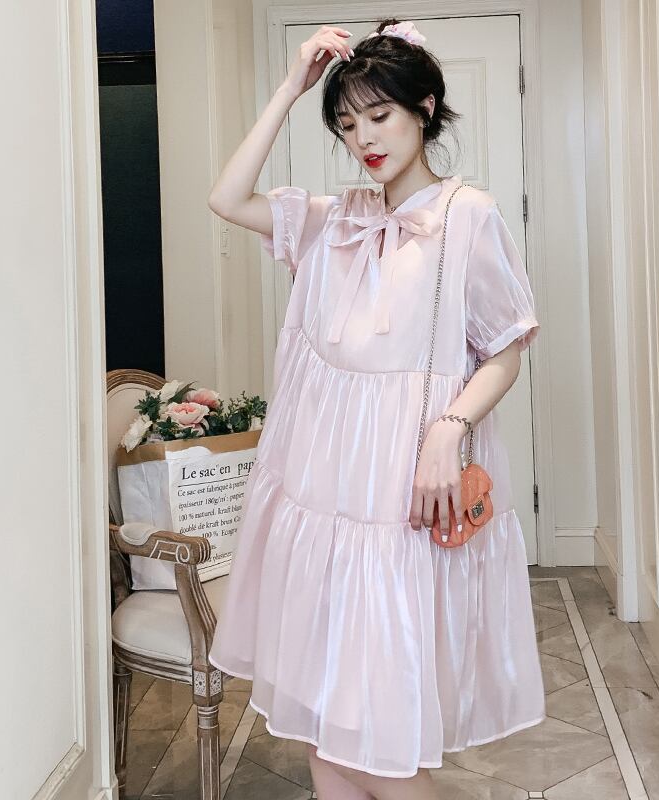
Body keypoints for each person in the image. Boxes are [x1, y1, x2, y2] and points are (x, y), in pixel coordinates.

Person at [207, 18, 545, 800]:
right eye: (347, 122)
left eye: (379, 114)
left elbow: (506, 349)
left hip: (403, 501)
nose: (363, 136)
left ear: (423, 108)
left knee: (377, 738)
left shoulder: (467, 215)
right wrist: (292, 87)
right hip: (321, 495)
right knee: (326, 733)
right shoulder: (333, 220)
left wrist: (448, 431)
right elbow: (226, 197)